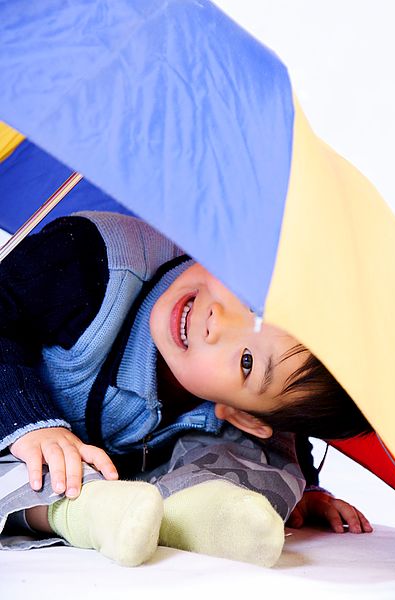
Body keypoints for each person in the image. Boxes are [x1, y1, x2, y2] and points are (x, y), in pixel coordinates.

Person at [0, 211, 372, 568]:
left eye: (246, 361)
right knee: (29, 465)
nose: (218, 320)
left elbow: (288, 425)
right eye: (250, 299)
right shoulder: (89, 259)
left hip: (133, 466)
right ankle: (82, 513)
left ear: (244, 414)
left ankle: (199, 515)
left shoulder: (244, 415)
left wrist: (307, 487)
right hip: (19, 428)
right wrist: (33, 425)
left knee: (270, 458)